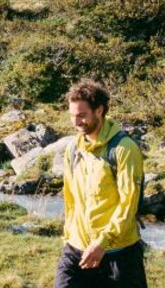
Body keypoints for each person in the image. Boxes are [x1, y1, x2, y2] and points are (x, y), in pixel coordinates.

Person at [57, 79, 148, 288]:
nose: (76, 122)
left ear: (99, 111)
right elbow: (70, 198)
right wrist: (68, 235)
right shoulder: (72, 149)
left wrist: (103, 242)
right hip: (76, 249)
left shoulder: (124, 149)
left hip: (118, 253)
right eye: (72, 116)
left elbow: (128, 204)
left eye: (82, 115)